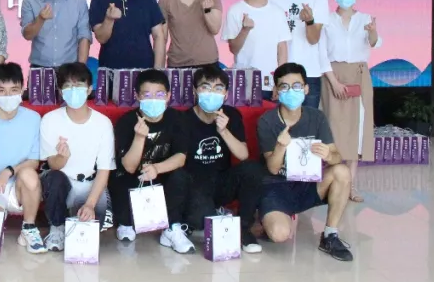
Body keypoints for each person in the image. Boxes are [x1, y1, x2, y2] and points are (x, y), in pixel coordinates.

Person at [257, 63, 353, 261]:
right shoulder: (267, 121)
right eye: (284, 87)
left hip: (308, 184)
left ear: (306, 89)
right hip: (276, 187)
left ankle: (330, 235)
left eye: (297, 86)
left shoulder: (316, 117)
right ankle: (267, 219)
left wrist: (329, 155)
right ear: (276, 91)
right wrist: (280, 146)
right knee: (279, 234)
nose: (291, 91)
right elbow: (273, 168)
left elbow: (337, 156)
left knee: (342, 171)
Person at [179, 65, 264, 254]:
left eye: (218, 88)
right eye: (205, 87)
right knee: (201, 219)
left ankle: (244, 229)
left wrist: (224, 131)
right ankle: (200, 216)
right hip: (194, 184)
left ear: (226, 94)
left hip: (221, 181)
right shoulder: (184, 119)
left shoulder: (231, 115)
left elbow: (243, 154)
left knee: (253, 169)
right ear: (195, 91)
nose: (212, 93)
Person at [108, 69, 194, 253]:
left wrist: (156, 168)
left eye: (159, 94)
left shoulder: (178, 119)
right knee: (117, 175)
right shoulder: (126, 121)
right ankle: (125, 222)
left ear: (168, 96)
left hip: (161, 177)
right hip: (133, 178)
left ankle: (172, 228)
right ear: (137, 96)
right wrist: (139, 138)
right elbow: (129, 166)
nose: (153, 99)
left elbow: (180, 157)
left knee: (180, 176)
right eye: (147, 95)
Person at [0, 62, 47, 254]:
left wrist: (8, 171)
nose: (8, 96)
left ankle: (29, 228)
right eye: (2, 91)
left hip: (19, 189)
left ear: (22, 89)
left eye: (14, 90)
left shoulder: (33, 119)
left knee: (29, 174)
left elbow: (34, 162)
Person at [39, 62, 115, 253]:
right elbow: (53, 165)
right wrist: (62, 157)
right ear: (60, 91)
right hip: (62, 182)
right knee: (54, 178)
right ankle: (57, 227)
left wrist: (90, 204)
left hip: (89, 185)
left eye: (79, 86)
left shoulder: (103, 123)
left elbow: (104, 169)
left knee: (90, 228)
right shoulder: (50, 120)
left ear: (89, 89)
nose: (74, 91)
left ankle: (77, 216)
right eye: (68, 86)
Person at [322, 0, 381, 202]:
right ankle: (332, 184)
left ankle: (350, 187)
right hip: (333, 76)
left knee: (357, 130)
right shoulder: (327, 20)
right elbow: (321, 53)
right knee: (334, 129)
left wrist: (373, 31)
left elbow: (375, 42)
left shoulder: (365, 19)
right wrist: (333, 82)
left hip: (359, 75)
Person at [267, 0, 332, 109]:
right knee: (274, 121)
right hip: (275, 72)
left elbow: (314, 39)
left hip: (308, 73)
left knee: (308, 122)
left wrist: (310, 21)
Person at [223, 0, 291, 98]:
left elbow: (282, 49)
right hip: (243, 82)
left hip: (270, 83)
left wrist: (280, 81)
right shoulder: (235, 10)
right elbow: (233, 49)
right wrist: (245, 30)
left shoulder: (277, 12)